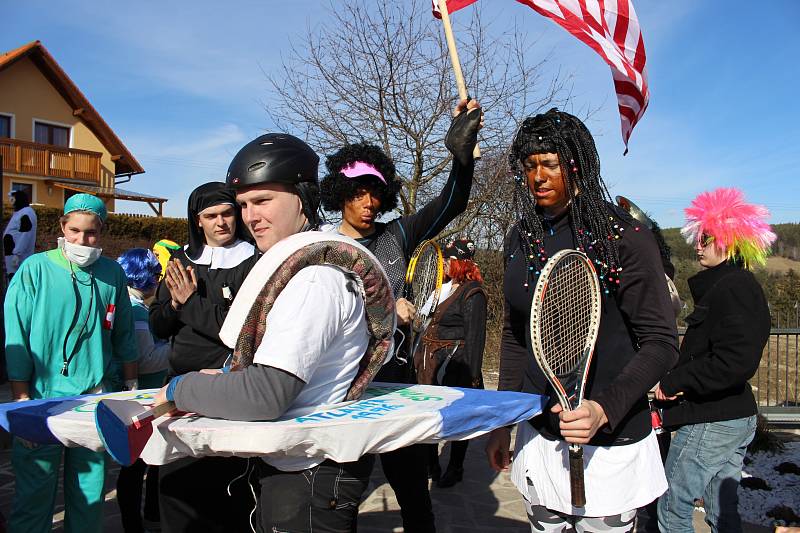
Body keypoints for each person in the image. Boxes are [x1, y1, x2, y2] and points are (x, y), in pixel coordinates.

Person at [152, 132, 394, 532]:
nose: (250, 216)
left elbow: (266, 395)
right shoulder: (305, 264)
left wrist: (181, 388)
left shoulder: (315, 279)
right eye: (244, 204)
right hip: (300, 464)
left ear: (301, 197)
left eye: (263, 201)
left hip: (310, 472)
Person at [484, 108, 679, 532]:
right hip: (540, 433)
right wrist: (503, 419)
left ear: (577, 164)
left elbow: (662, 342)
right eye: (530, 166)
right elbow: (516, 334)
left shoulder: (624, 236)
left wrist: (603, 409)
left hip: (610, 439)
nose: (538, 176)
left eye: (550, 164)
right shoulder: (520, 238)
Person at [319, 98, 482, 533]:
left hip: (396, 385)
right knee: (340, 502)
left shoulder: (398, 235)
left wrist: (460, 157)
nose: (368, 202)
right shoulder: (318, 247)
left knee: (414, 497)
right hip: (341, 389)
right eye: (357, 193)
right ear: (340, 194)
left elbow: (452, 202)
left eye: (375, 192)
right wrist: (389, 309)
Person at [4, 193, 138, 533]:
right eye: (74, 231)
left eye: (91, 233)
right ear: (63, 227)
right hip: (40, 399)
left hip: (92, 401)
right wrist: (22, 396)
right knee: (34, 494)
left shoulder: (112, 273)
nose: (82, 240)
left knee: (89, 497)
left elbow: (123, 333)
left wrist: (131, 385)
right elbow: (16, 334)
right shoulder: (36, 269)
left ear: (102, 232)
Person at [656, 187, 774, 533]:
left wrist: (676, 382)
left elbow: (735, 361)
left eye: (706, 237)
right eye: (699, 236)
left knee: (672, 505)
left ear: (731, 241)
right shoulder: (731, 284)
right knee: (722, 513)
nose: (698, 244)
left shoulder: (735, 286)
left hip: (715, 419)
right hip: (730, 415)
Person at [148, 182, 257, 532]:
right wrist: (176, 303)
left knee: (226, 484)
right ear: (197, 221)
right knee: (177, 481)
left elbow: (239, 330)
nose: (221, 222)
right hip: (178, 387)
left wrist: (191, 305)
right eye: (210, 216)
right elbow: (158, 326)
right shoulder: (181, 261)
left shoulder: (253, 262)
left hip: (227, 386)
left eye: (227, 213)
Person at [417, 238, 487, 488]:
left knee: (457, 419)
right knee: (428, 416)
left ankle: (455, 467)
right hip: (429, 363)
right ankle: (431, 463)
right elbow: (423, 322)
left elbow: (476, 336)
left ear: (460, 263)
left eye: (447, 260)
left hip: (456, 365)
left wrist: (473, 376)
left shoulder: (473, 292)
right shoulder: (441, 288)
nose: (443, 264)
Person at [115, 248, 171, 533]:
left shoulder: (132, 304)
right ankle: (135, 524)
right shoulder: (136, 310)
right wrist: (179, 349)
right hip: (142, 399)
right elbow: (145, 360)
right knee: (135, 468)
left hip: (143, 398)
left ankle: (147, 516)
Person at [3, 189, 37, 281]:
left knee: (18, 279)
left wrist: (17, 254)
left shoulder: (26, 212)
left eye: (12, 198)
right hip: (12, 256)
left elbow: (25, 234)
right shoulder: (20, 212)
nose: (11, 201)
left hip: (18, 257)